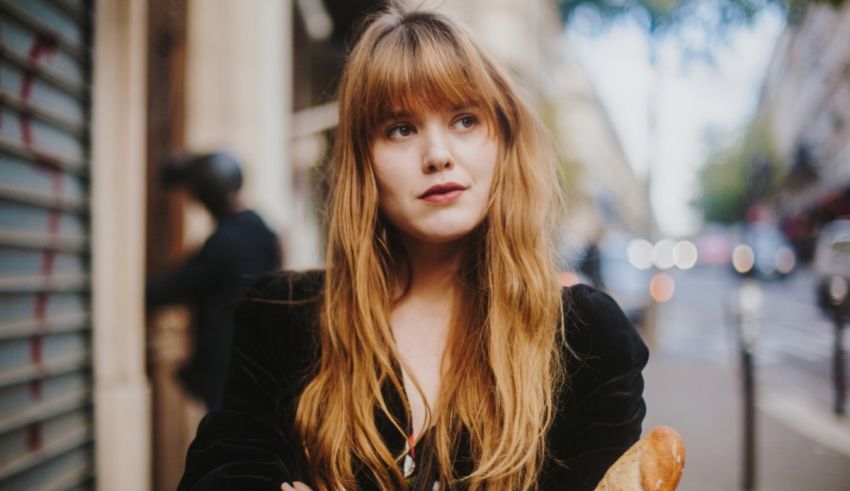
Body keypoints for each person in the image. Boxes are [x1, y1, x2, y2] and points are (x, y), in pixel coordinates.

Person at [177, 9, 647, 491]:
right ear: (365, 163)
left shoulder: (586, 340)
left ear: (503, 143)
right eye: (400, 128)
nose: (438, 155)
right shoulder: (282, 319)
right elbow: (225, 470)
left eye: (465, 120)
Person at [146, 152, 281, 411]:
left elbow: (174, 287)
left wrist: (127, 293)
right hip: (259, 365)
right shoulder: (262, 232)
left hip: (228, 371)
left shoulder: (223, 243)